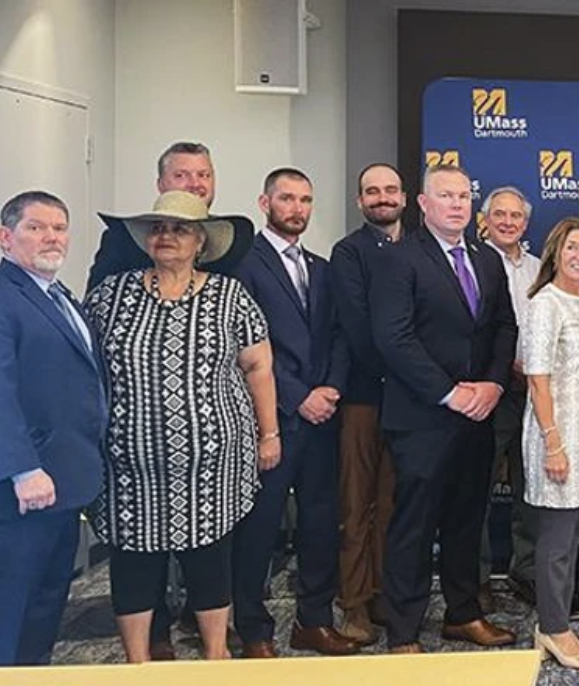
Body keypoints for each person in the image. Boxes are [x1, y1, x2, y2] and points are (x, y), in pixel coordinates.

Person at [85, 191, 277, 662]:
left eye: (180, 229)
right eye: (158, 228)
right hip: (129, 466)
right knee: (133, 564)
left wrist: (268, 434)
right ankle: (137, 663)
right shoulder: (112, 294)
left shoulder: (229, 295)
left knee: (210, 561)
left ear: (201, 243)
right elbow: (84, 367)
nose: (166, 236)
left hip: (213, 466)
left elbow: (258, 369)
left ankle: (215, 657)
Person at [370, 164, 519, 652]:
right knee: (413, 527)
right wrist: (451, 392)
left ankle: (462, 614)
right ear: (423, 203)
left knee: (465, 521)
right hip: (423, 418)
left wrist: (494, 385)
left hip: (478, 416)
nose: (457, 204)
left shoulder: (487, 258)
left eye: (463, 196)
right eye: (446, 196)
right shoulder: (400, 259)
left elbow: (503, 327)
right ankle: (404, 631)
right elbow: (394, 338)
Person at [230, 168, 357, 657]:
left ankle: (314, 620)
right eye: (287, 199)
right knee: (260, 527)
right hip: (273, 420)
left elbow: (341, 335)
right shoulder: (245, 265)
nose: (297, 209)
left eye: (305, 200)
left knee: (321, 523)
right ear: (265, 202)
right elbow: (246, 348)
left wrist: (331, 388)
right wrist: (298, 394)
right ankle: (254, 630)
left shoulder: (321, 268)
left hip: (323, 420)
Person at [0, 191, 106, 666]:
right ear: (6, 237)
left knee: (45, 606)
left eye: (59, 227)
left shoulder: (59, 295)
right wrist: (23, 469)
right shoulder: (6, 295)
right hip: (23, 487)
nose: (51, 237)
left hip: (64, 480)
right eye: (36, 227)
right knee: (12, 607)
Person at [520, 218, 579, 670]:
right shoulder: (545, 304)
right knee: (557, 541)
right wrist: (553, 443)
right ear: (555, 253)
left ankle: (556, 623)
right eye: (572, 248)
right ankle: (553, 628)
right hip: (557, 437)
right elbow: (537, 380)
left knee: (575, 536)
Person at [328, 163, 405, 643]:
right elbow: (358, 326)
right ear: (360, 202)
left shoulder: (420, 248)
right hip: (364, 396)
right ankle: (355, 603)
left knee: (395, 506)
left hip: (413, 401)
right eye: (372, 191)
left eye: (390, 190)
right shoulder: (348, 253)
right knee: (358, 504)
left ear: (404, 196)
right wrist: (409, 367)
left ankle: (385, 595)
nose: (382, 198)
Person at [478, 186, 542, 606]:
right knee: (476, 491)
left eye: (515, 216)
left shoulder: (540, 268)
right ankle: (476, 578)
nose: (507, 222)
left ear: (526, 222)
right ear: (484, 219)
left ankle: (527, 572)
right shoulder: (471, 263)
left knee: (531, 489)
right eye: (499, 214)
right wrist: (502, 371)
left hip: (534, 394)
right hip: (487, 393)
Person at [86, 142, 248, 294]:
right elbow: (94, 309)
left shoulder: (234, 243)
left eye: (203, 175)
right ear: (160, 184)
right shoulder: (122, 239)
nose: (195, 183)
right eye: (181, 175)